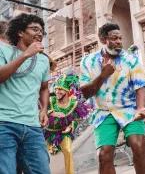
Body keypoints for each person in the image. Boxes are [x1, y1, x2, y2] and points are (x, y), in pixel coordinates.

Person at [80, 23, 145, 174]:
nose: (119, 41)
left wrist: (140, 109)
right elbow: (85, 93)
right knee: (103, 155)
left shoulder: (131, 60)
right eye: (114, 38)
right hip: (103, 111)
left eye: (120, 38)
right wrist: (103, 75)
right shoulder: (88, 61)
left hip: (129, 108)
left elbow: (141, 88)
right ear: (103, 39)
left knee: (138, 145)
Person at [0, 13, 51, 174]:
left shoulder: (43, 61)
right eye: (34, 29)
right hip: (4, 124)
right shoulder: (4, 50)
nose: (39, 33)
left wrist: (43, 109)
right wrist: (25, 55)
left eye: (42, 31)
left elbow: (44, 87)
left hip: (32, 127)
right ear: (20, 32)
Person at [44, 73, 90, 174]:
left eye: (60, 89)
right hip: (48, 133)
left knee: (68, 151)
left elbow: (77, 119)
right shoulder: (51, 101)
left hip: (64, 132)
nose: (57, 92)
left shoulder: (74, 104)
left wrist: (70, 126)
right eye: (56, 89)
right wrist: (51, 113)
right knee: (45, 156)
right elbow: (42, 111)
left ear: (67, 91)